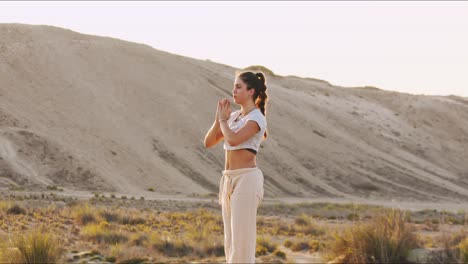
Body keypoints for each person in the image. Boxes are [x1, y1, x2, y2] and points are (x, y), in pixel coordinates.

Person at [203, 70, 269, 263]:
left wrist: (223, 121)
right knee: (230, 241)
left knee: (242, 243)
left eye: (238, 87)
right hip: (228, 179)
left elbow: (233, 140)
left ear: (251, 91)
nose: (234, 90)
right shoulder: (233, 116)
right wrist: (218, 120)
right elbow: (208, 142)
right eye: (234, 86)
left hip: (247, 179)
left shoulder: (256, 118)